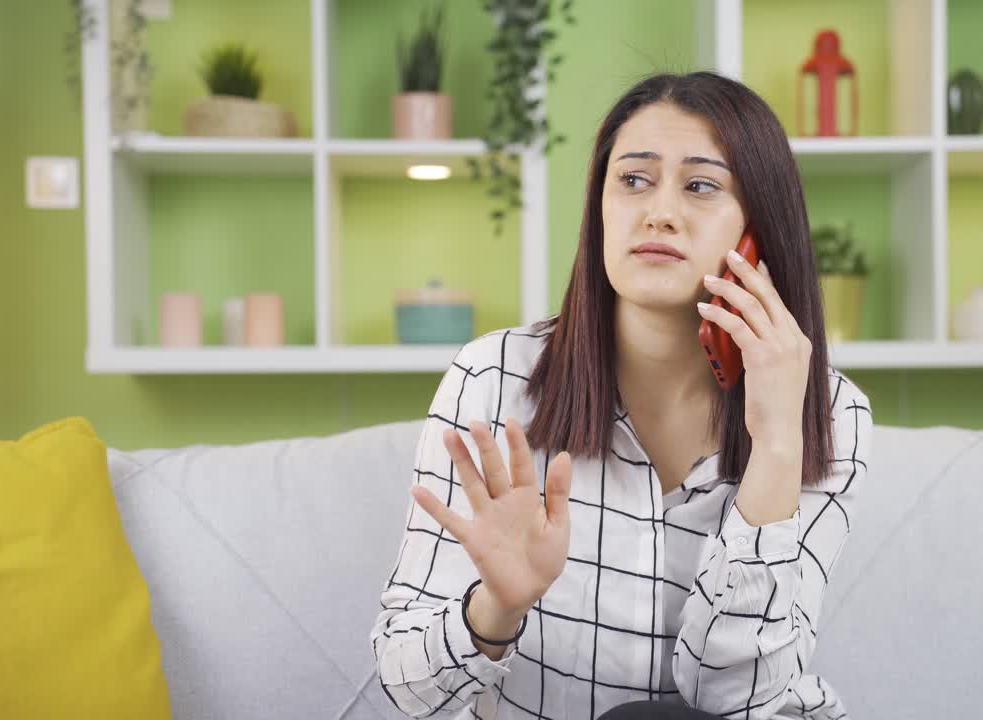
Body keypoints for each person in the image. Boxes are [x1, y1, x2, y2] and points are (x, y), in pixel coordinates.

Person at [370, 70, 873, 720]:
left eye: (700, 186)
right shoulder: (494, 378)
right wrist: (496, 607)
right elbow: (409, 688)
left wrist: (776, 445)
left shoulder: (828, 410)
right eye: (633, 179)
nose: (658, 212)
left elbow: (738, 697)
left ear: (759, 230)